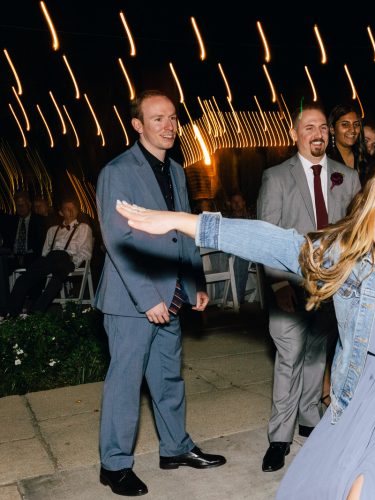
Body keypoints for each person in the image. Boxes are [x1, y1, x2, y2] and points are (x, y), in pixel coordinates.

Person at [115, 158, 375, 499]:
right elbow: (275, 242)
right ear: (366, 211)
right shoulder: (345, 257)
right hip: (362, 395)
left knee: (369, 493)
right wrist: (182, 221)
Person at [95, 90, 225, 497]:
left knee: (168, 378)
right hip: (132, 301)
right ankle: (114, 465)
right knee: (126, 382)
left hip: (172, 295)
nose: (169, 126)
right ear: (137, 125)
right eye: (158, 119)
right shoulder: (117, 172)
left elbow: (184, 229)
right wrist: (145, 298)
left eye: (172, 118)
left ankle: (174, 449)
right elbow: (117, 241)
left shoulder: (176, 171)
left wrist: (196, 282)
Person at [257, 101, 360, 473]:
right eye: (309, 128)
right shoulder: (276, 177)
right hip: (291, 284)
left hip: (331, 287)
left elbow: (355, 233)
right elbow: (267, 236)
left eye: (322, 129)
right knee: (289, 357)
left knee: (318, 353)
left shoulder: (346, 176)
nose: (317, 135)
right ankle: (279, 438)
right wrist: (279, 283)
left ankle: (308, 418)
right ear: (294, 134)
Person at [8, 198, 92, 314]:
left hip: (68, 260)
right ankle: (11, 314)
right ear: (61, 213)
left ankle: (35, 312)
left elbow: (86, 252)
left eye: (74, 209)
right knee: (23, 279)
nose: (71, 212)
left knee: (60, 266)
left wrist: (73, 262)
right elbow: (45, 252)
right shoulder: (52, 230)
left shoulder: (84, 228)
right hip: (50, 260)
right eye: (67, 209)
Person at [0, 191, 46, 314]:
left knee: (36, 263)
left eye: (23, 205)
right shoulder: (11, 221)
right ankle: (4, 304)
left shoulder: (39, 221)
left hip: (31, 255)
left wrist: (26, 254)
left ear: (29, 204)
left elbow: (41, 245)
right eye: (18, 205)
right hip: (14, 256)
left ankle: (32, 301)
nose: (20, 208)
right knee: (1, 263)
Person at [326, 103, 368, 184]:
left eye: (356, 124)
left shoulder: (364, 158)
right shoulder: (325, 160)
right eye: (345, 124)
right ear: (332, 129)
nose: (352, 130)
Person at [227, 192, 253, 304]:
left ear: (243, 202)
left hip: (250, 249)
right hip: (233, 249)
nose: (237, 204)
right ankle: (224, 297)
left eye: (239, 201)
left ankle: (236, 298)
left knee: (240, 255)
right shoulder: (228, 219)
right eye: (234, 202)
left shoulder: (251, 217)